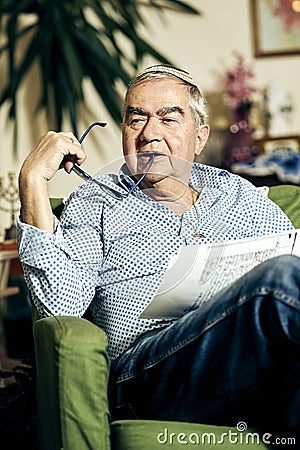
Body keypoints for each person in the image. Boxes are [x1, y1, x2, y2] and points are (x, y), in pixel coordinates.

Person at [17, 65, 299, 444]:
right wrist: (32, 181)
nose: (150, 133)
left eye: (168, 118)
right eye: (137, 119)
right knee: (281, 278)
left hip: (247, 358)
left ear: (199, 137)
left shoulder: (238, 193)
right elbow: (59, 310)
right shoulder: (96, 200)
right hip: (146, 372)